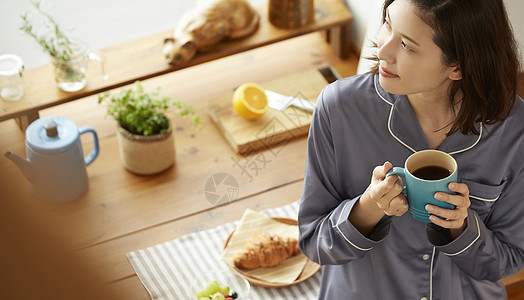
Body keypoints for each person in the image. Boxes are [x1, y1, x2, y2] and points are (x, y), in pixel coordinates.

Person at [298, 0, 523, 299]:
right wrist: (368, 207)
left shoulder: (514, 130)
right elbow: (314, 242)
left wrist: (461, 229)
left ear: (458, 66)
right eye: (388, 24)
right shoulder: (339, 108)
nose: (382, 50)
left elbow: (510, 259)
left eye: (406, 45)